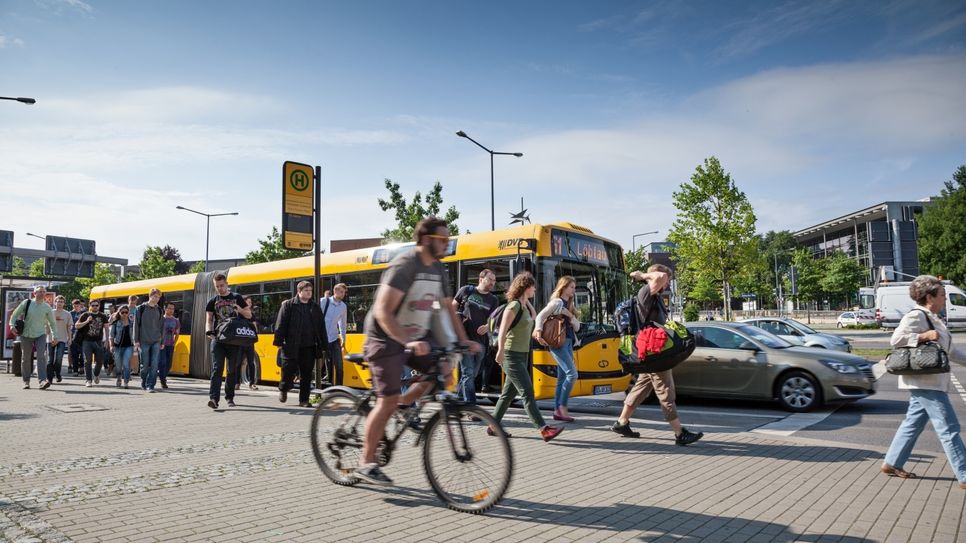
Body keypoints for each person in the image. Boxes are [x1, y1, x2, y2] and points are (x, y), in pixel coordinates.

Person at [355, 217, 479, 486]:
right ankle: (366, 462)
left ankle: (405, 404)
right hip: (385, 336)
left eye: (448, 240)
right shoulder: (405, 265)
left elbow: (448, 308)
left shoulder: (438, 270)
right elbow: (383, 311)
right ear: (426, 240)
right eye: (442, 240)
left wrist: (463, 340)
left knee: (444, 373)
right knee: (386, 400)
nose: (446, 244)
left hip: (416, 334)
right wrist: (406, 342)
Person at [881, 275, 966, 488]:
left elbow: (951, 351)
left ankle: (892, 462)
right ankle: (964, 474)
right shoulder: (917, 316)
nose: (945, 299)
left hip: (931, 381)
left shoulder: (935, 318)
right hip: (926, 382)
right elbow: (896, 339)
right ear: (929, 297)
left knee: (912, 424)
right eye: (942, 295)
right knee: (949, 428)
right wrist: (923, 336)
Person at [612, 264, 703, 446]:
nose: (667, 282)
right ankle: (679, 433)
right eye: (667, 279)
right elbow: (659, 276)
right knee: (666, 392)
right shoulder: (646, 292)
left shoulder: (655, 296)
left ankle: (621, 422)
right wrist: (643, 275)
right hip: (654, 352)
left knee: (640, 388)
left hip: (652, 350)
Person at [489, 272, 564, 442]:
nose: (535, 289)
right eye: (533, 287)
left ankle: (493, 425)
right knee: (528, 392)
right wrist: (500, 350)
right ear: (526, 287)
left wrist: (526, 300)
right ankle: (544, 429)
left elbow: (533, 317)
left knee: (508, 394)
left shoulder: (522, 306)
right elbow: (503, 330)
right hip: (510, 354)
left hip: (521, 355)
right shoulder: (513, 306)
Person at [534, 275, 581, 422]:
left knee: (562, 378)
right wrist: (538, 331)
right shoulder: (557, 302)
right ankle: (562, 407)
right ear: (564, 287)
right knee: (572, 375)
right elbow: (540, 316)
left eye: (574, 287)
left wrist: (570, 316)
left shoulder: (570, 305)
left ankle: (557, 411)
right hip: (557, 343)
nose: (574, 289)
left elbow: (578, 327)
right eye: (571, 287)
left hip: (568, 342)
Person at [274, 281, 327, 407]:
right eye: (306, 291)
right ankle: (283, 388)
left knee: (306, 374)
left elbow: (321, 327)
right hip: (291, 345)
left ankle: (304, 400)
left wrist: (324, 345)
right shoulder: (288, 305)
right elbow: (280, 324)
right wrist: (279, 341)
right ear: (299, 291)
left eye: (310, 291)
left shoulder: (315, 307)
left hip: (308, 346)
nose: (309, 293)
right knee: (287, 371)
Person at [451, 269, 498, 406]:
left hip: (481, 343)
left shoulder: (493, 299)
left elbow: (493, 319)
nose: (492, 283)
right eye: (490, 280)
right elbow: (453, 308)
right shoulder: (466, 290)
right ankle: (471, 407)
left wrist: (487, 326)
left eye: (494, 281)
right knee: (468, 373)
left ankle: (459, 401)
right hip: (464, 340)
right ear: (481, 278)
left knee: (472, 374)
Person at [205, 273, 251, 409]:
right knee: (217, 368)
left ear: (227, 284)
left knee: (231, 370)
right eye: (217, 286)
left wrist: (240, 309)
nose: (220, 288)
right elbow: (209, 319)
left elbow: (249, 314)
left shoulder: (237, 298)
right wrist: (209, 332)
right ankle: (213, 399)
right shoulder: (212, 301)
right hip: (218, 339)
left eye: (222, 285)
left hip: (234, 340)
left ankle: (230, 397)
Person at [10, 286, 58, 390]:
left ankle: (42, 381)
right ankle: (26, 381)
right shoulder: (27, 303)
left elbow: (53, 323)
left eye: (43, 292)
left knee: (41, 356)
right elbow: (15, 314)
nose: (41, 293)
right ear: (34, 293)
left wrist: (55, 336)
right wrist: (11, 325)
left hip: (41, 335)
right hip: (26, 335)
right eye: (39, 292)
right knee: (25, 358)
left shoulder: (47, 307)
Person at [134, 288, 165, 392]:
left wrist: (162, 341)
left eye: (158, 297)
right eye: (155, 296)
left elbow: (162, 327)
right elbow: (136, 325)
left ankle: (150, 385)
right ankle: (144, 380)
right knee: (145, 364)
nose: (156, 299)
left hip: (156, 340)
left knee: (155, 364)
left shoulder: (160, 310)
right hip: (143, 341)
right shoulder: (140, 308)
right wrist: (136, 340)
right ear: (150, 296)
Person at [75, 299, 109, 387]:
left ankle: (96, 374)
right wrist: (86, 321)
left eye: (96, 305)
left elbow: (106, 328)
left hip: (98, 341)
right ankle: (88, 380)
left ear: (99, 306)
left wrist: (107, 340)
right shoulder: (85, 315)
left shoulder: (103, 316)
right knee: (87, 361)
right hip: (87, 341)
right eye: (93, 305)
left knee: (99, 361)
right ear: (90, 306)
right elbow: (76, 326)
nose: (94, 307)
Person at [321, 283, 349, 386]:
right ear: (335, 291)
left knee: (339, 366)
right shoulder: (324, 301)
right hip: (322, 340)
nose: (343, 294)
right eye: (341, 292)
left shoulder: (343, 306)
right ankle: (317, 390)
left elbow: (342, 323)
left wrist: (343, 339)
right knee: (319, 366)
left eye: (344, 293)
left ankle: (339, 389)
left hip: (334, 339)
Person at [46, 295, 73, 384]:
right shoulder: (50, 312)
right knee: (50, 359)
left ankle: (57, 373)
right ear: (55, 302)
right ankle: (49, 378)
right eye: (58, 301)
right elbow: (46, 325)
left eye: (61, 302)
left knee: (59, 358)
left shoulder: (67, 314)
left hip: (62, 338)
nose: (60, 303)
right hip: (50, 339)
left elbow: (69, 327)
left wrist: (70, 338)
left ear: (64, 303)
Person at [108, 305, 135, 388]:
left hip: (129, 346)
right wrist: (111, 346)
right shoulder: (116, 323)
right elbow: (111, 336)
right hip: (118, 346)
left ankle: (126, 381)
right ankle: (119, 377)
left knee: (126, 363)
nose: (124, 314)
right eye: (122, 312)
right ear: (119, 313)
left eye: (126, 312)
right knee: (119, 365)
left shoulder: (132, 323)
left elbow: (136, 334)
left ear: (128, 313)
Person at [159, 302, 180, 389]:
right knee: (162, 362)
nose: (171, 310)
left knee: (169, 364)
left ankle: (162, 377)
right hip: (161, 344)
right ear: (165, 308)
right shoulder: (160, 319)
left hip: (170, 344)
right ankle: (163, 380)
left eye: (172, 309)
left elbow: (177, 333)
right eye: (169, 308)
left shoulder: (176, 320)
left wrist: (174, 342)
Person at [240, 296, 258, 390]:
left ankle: (252, 383)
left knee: (251, 362)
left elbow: (255, 328)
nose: (249, 304)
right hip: (239, 342)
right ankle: (236, 383)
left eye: (250, 303)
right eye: (247, 302)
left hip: (249, 342)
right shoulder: (238, 314)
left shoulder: (252, 315)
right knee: (237, 362)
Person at [68, 299, 85, 376]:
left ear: (80, 306)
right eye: (74, 306)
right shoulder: (70, 313)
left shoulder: (84, 313)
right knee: (73, 353)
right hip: (72, 335)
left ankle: (81, 367)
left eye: (77, 306)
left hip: (82, 335)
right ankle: (75, 369)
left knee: (82, 353)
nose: (76, 307)